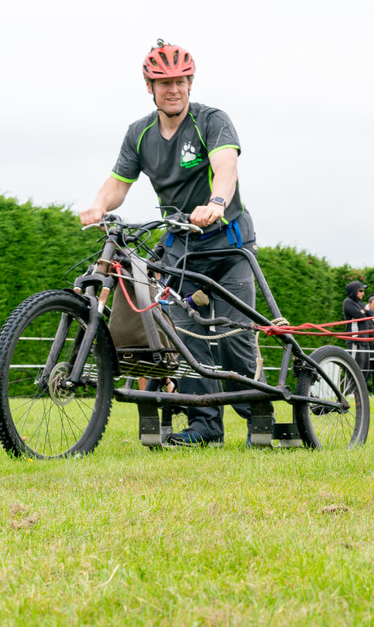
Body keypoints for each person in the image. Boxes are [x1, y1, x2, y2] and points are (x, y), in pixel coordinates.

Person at [79, 40, 264, 448]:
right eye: (163, 83)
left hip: (227, 242)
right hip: (182, 247)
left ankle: (259, 416)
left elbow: (225, 165)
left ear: (190, 83)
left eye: (180, 81)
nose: (173, 89)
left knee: (233, 335)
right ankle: (205, 426)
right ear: (150, 87)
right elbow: (118, 184)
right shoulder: (139, 133)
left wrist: (216, 201)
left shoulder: (211, 120)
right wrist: (97, 205)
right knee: (181, 336)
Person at [342, 281, 373, 382]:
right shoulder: (348, 302)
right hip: (355, 340)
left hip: (365, 339)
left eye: (363, 291)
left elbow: (371, 313)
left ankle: (360, 394)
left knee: (365, 368)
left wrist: (365, 312)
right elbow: (360, 315)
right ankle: (351, 392)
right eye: (360, 291)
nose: (363, 293)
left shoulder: (359, 303)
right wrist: (364, 312)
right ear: (353, 291)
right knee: (355, 367)